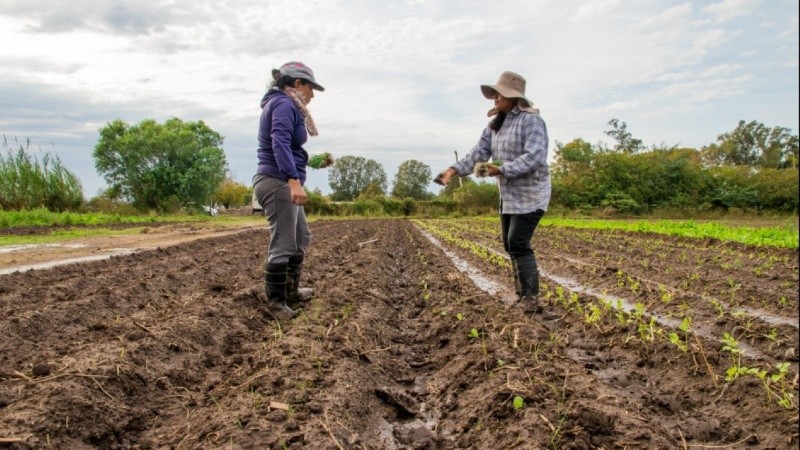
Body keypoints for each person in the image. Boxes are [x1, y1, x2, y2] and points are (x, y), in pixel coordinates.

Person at [434, 70, 551, 314]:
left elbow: (535, 157)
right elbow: (478, 153)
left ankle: (530, 298)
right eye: (494, 94)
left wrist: (501, 169)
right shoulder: (495, 125)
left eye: (499, 94)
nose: (495, 98)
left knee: (518, 242)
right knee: (510, 245)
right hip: (508, 196)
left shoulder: (532, 121)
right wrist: (452, 171)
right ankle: (522, 295)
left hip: (531, 194)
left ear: (514, 96)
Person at [253, 61, 325, 320]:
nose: (312, 95)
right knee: (283, 243)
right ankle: (276, 304)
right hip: (276, 181)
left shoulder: (286, 104)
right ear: (297, 84)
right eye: (310, 88)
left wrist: (313, 164)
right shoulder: (284, 104)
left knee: (301, 237)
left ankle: (291, 292)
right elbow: (279, 141)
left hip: (280, 178)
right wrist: (293, 181)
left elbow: (292, 149)